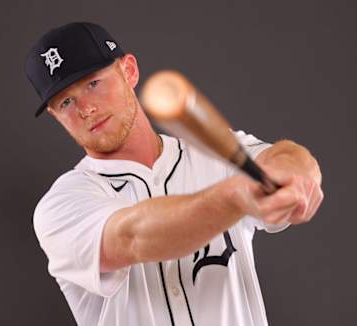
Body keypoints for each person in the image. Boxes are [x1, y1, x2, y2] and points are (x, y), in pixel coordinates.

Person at [25, 22, 324, 326]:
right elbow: (133, 237)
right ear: (55, 115)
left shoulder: (212, 155)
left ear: (128, 71)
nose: (85, 108)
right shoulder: (61, 205)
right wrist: (235, 196)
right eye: (66, 101)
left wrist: (292, 173)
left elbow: (284, 156)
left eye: (93, 83)